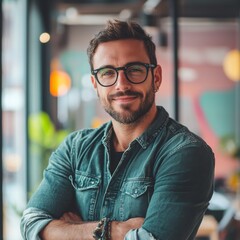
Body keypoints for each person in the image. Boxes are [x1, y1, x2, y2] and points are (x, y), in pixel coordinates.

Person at [20, 19, 215, 240]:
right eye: (107, 73)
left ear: (156, 78)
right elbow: (31, 224)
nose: (121, 84)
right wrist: (114, 230)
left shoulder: (185, 153)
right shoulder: (75, 149)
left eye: (134, 69)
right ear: (95, 84)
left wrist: (67, 230)